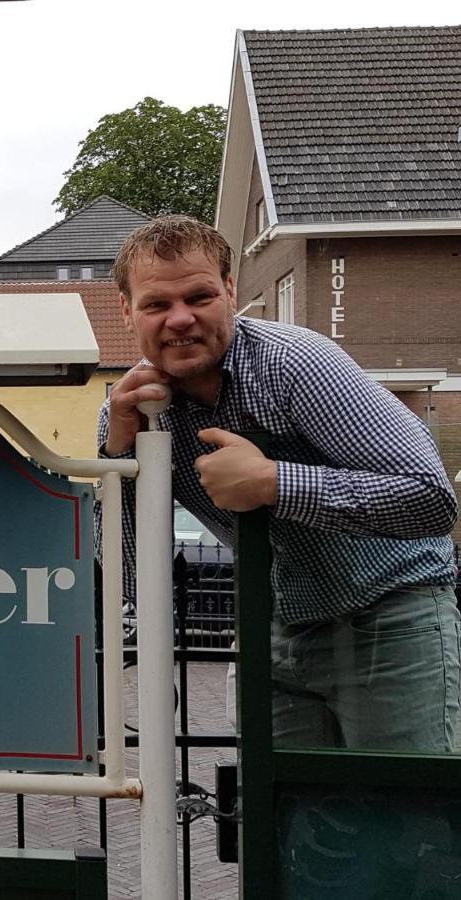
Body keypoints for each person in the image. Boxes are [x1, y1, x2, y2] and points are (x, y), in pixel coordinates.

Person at [99, 215, 459, 751]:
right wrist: (120, 456)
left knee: (410, 814)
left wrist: (273, 482)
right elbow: (127, 573)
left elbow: (431, 500)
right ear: (128, 312)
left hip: (391, 615)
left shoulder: (294, 363)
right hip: (273, 628)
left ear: (229, 291)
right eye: (156, 304)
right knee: (281, 819)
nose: (180, 320)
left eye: (199, 297)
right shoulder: (134, 413)